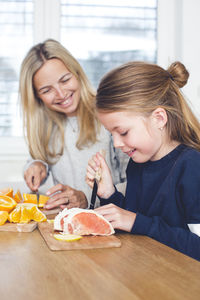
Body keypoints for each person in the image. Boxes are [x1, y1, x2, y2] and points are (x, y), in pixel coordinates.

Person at [86, 61, 200, 261]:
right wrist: (108, 194)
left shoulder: (192, 166)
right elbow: (135, 222)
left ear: (158, 118)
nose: (116, 143)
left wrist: (137, 222)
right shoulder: (138, 163)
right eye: (111, 133)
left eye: (122, 132)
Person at [19, 39, 128, 210]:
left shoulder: (110, 114)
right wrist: (36, 164)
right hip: (71, 229)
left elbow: (138, 186)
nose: (61, 94)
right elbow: (38, 158)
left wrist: (88, 199)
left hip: (116, 228)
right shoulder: (46, 126)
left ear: (77, 73)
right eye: (47, 90)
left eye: (65, 80)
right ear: (37, 97)